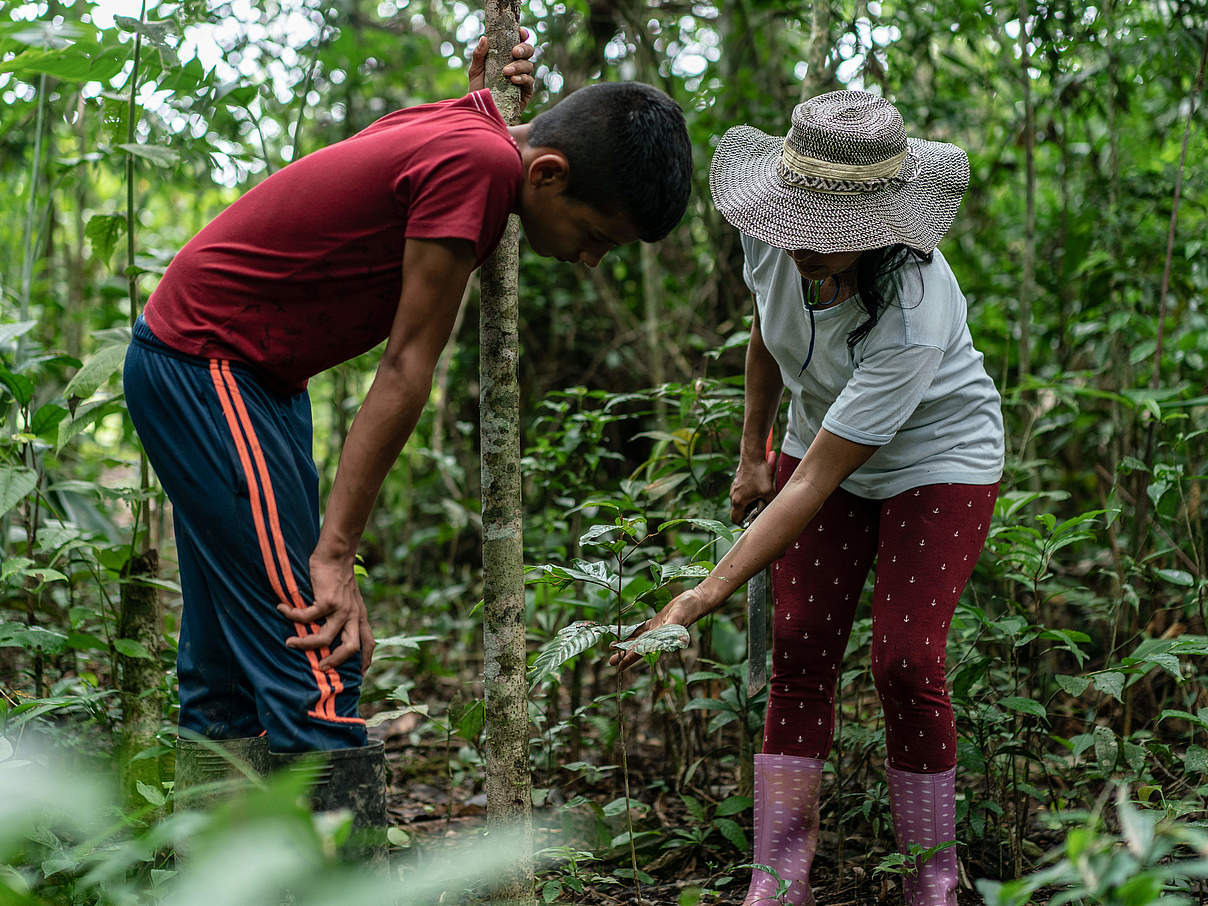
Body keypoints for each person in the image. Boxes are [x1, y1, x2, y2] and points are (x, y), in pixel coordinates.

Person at [123, 31, 693, 827]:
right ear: (550, 174)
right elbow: (405, 369)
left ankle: (217, 874)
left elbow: (415, 158)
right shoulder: (480, 163)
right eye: (596, 236)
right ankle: (339, 881)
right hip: (207, 365)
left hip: (252, 380)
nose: (590, 258)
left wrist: (488, 93)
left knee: (226, 669)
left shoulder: (480, 137)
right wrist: (335, 554)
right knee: (316, 648)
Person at [613, 90, 1003, 906]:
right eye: (799, 226)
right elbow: (767, 327)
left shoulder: (912, 312)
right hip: (815, 428)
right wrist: (755, 451)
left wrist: (699, 596)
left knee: (905, 659)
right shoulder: (771, 233)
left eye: (833, 236)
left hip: (940, 453)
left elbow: (819, 482)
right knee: (799, 642)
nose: (807, 248)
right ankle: (779, 871)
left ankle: (931, 877)